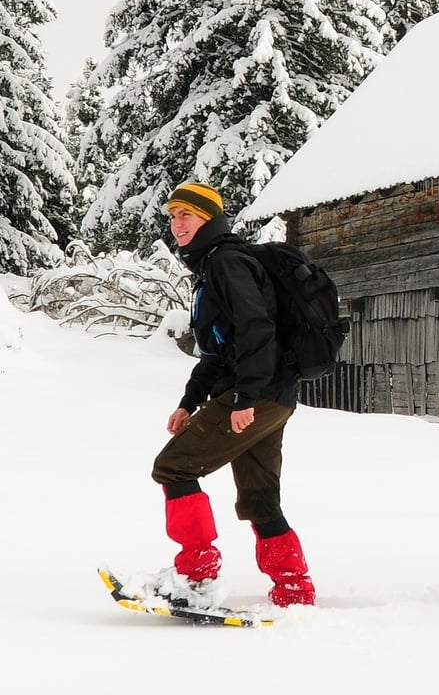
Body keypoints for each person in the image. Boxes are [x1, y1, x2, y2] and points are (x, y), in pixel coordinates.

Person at [142, 182, 315, 610]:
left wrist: (245, 398)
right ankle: (293, 587)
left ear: (209, 219)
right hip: (273, 396)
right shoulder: (216, 266)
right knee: (259, 496)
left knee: (174, 467)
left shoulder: (226, 263)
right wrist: (189, 401)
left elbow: (257, 329)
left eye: (186, 215)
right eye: (172, 215)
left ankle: (195, 576)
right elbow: (219, 352)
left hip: (256, 394)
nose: (176, 223)